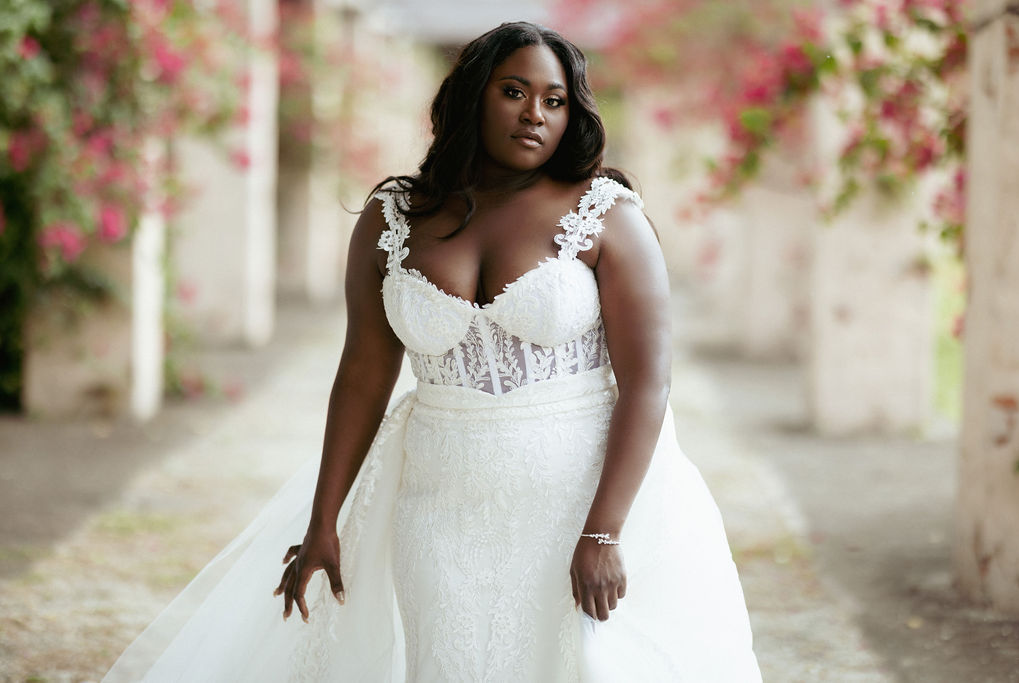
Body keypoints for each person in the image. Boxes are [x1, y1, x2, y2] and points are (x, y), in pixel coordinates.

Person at [104, 21, 762, 682]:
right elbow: (363, 370)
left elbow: (648, 381)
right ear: (473, 96)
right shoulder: (393, 217)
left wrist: (604, 531)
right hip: (438, 505)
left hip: (578, 503)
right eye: (513, 91)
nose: (535, 113)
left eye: (555, 100)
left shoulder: (605, 214)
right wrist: (323, 520)